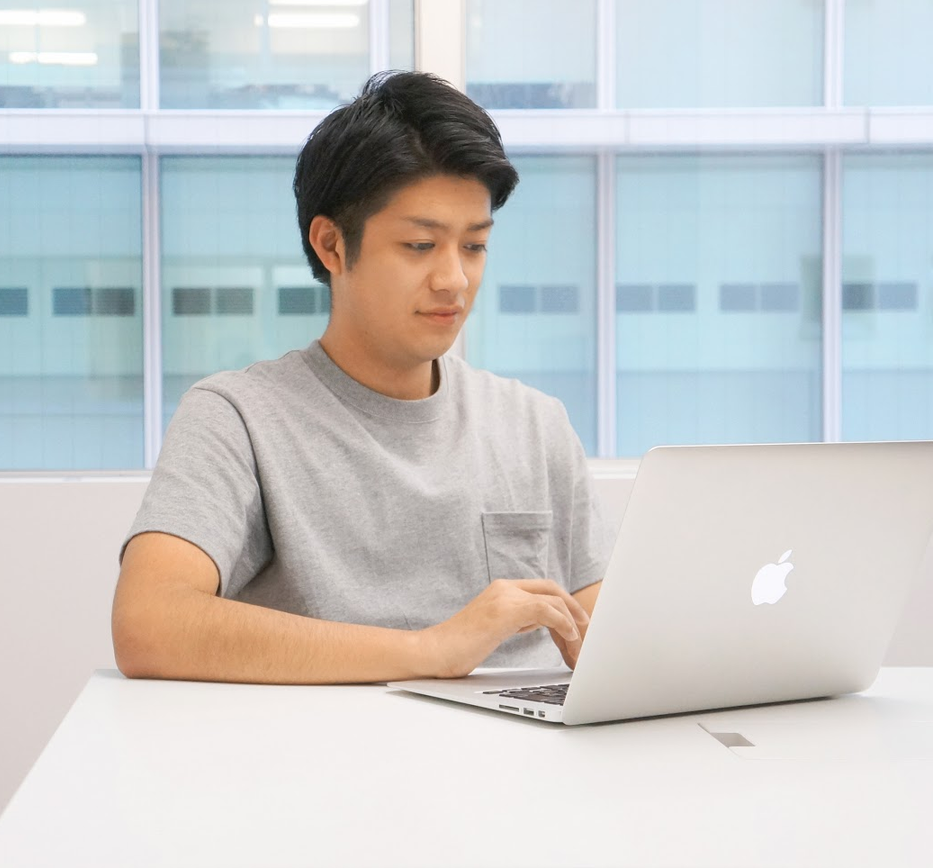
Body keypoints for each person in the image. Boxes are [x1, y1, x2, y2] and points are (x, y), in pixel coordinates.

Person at [111, 70, 610, 684]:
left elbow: (612, 637)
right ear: (332, 245)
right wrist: (432, 651)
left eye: (474, 246)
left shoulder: (535, 424)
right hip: (330, 744)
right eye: (420, 246)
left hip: (521, 743)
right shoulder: (237, 418)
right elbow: (149, 623)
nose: (454, 280)